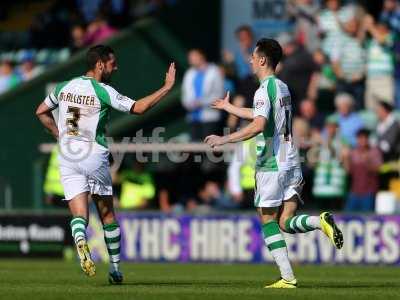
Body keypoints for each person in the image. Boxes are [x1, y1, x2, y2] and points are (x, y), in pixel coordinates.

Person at [204, 38, 343, 288]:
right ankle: (319, 221)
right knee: (285, 223)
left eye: (253, 56)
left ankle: (287, 277)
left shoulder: (263, 89)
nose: (249, 60)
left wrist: (225, 138)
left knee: (267, 219)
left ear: (262, 60)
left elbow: (258, 125)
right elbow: (261, 115)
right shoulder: (282, 87)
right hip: (292, 160)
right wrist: (229, 108)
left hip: (272, 163)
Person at [35, 45, 176, 283]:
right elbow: (139, 108)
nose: (116, 67)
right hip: (92, 152)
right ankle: (115, 270)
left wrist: (59, 134)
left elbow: (40, 111)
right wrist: (167, 87)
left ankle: (80, 239)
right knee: (107, 214)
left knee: (79, 214)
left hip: (67, 154)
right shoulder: (102, 90)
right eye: (112, 63)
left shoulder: (64, 86)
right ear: (100, 65)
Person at [181, 48, 224, 141]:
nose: (191, 59)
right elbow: (185, 95)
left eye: (194, 56)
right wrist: (189, 104)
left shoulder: (214, 71)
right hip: (193, 118)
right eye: (190, 57)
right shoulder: (189, 73)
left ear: (201, 56)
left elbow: (219, 94)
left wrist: (201, 103)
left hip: (210, 118)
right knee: (195, 148)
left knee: (210, 150)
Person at [343, 129, 382, 212]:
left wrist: (367, 162)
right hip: (354, 192)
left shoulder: (374, 151)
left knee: (367, 217)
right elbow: (348, 171)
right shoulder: (353, 152)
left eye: (365, 138)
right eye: (360, 138)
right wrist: (345, 159)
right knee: (346, 216)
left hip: (368, 192)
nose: (363, 140)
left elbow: (378, 169)